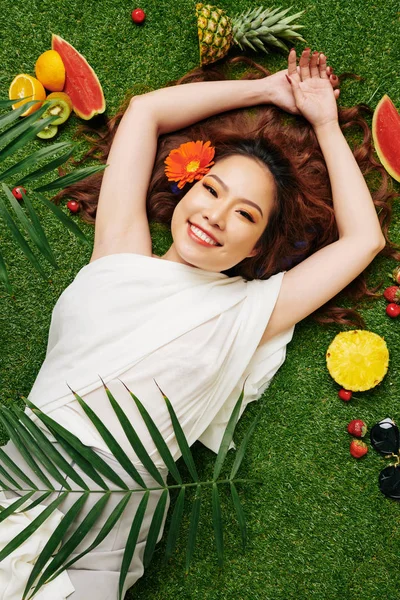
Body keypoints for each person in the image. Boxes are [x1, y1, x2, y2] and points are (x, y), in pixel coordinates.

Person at [0, 48, 394, 600]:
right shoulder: (118, 254)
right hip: (22, 473)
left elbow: (363, 240)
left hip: (111, 520)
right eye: (212, 189)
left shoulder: (247, 310)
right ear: (188, 186)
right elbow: (144, 114)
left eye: (246, 214)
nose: (216, 214)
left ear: (258, 246)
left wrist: (326, 122)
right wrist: (269, 90)